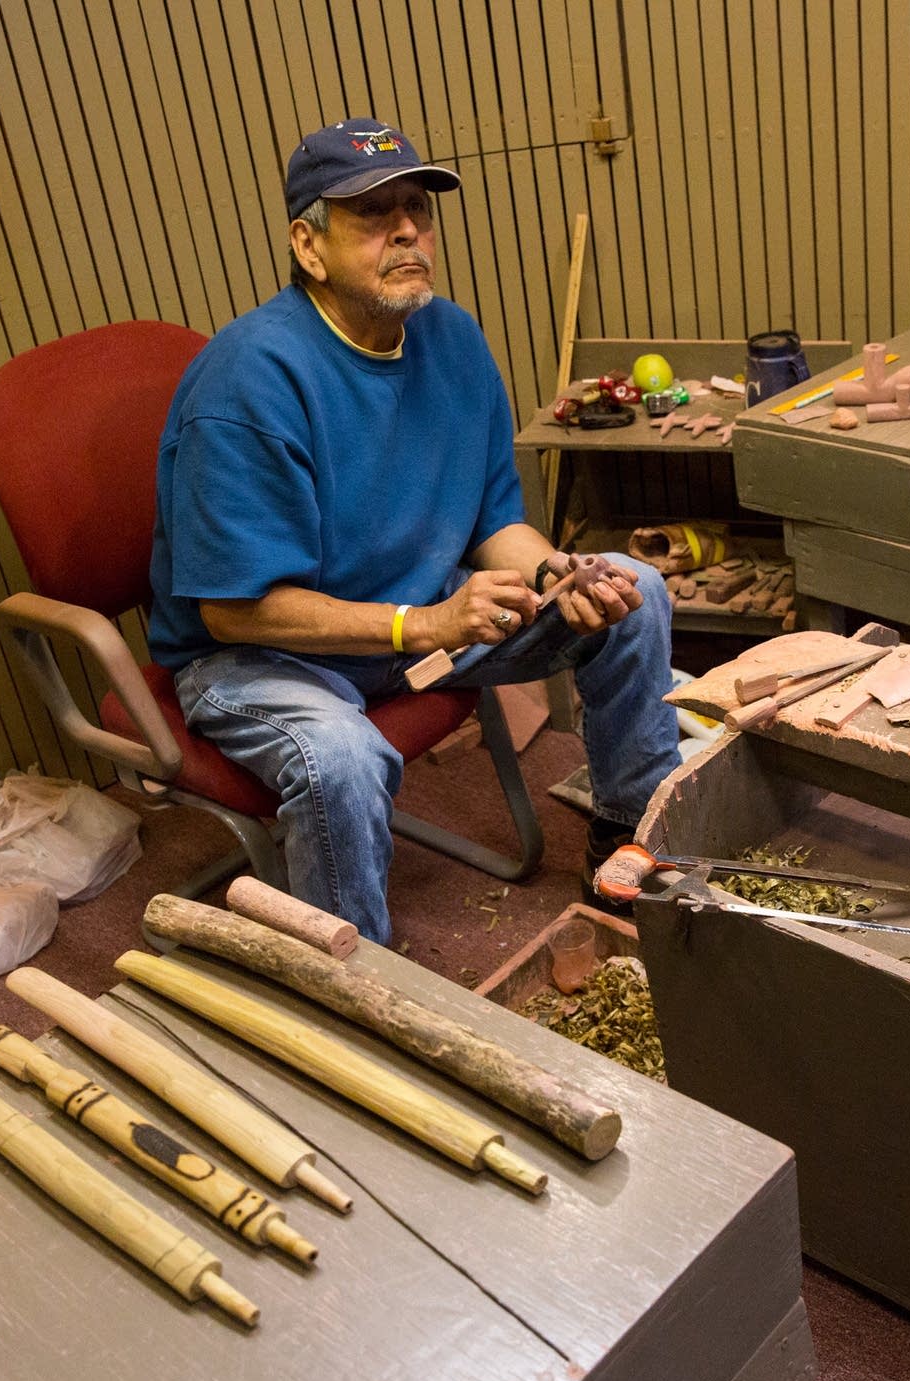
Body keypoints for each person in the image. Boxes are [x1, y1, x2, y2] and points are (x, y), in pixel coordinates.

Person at [148, 118, 679, 945]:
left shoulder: (452, 338)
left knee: (631, 591)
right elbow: (234, 611)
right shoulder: (249, 382)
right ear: (308, 246)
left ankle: (626, 838)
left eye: (417, 210)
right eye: (372, 213)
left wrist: (555, 574)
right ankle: (351, 978)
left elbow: (493, 519)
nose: (407, 231)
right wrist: (423, 624)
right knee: (341, 758)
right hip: (263, 656)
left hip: (414, 618)